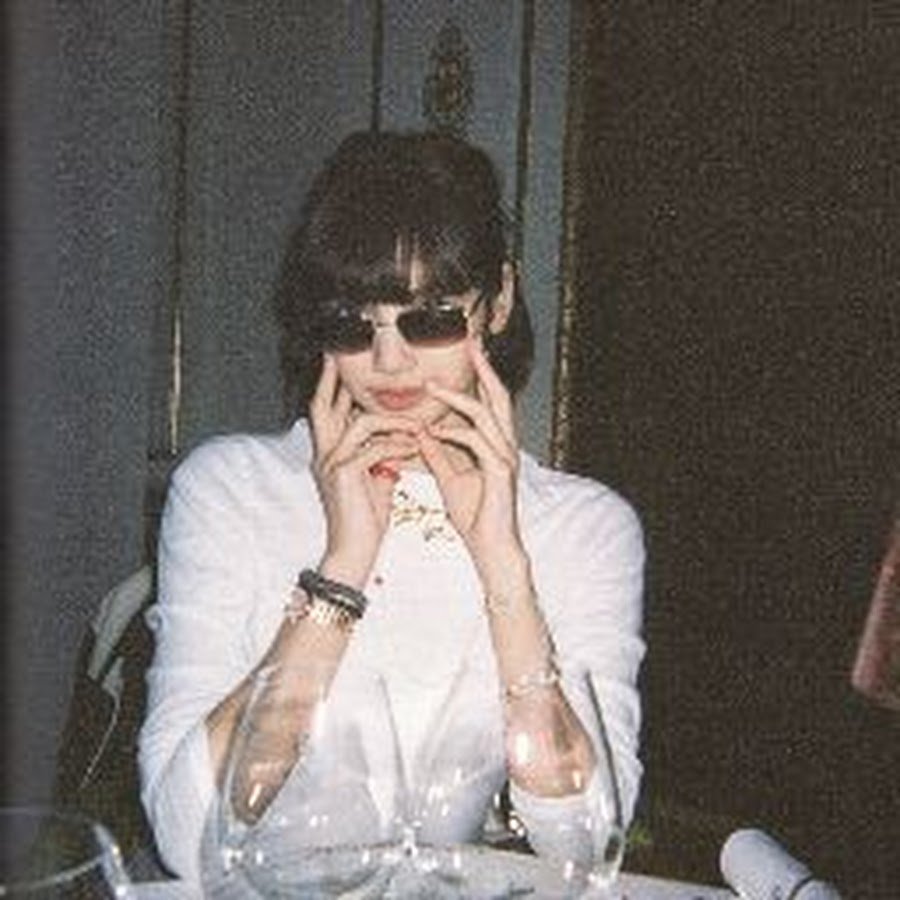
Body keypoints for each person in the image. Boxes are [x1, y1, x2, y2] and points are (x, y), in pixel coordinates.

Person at [138, 130, 646, 883]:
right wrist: (341, 571)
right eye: (352, 323)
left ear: (499, 301)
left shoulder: (584, 527)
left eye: (430, 317)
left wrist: (504, 568)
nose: (388, 361)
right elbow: (188, 842)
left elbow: (584, 846)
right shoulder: (229, 489)